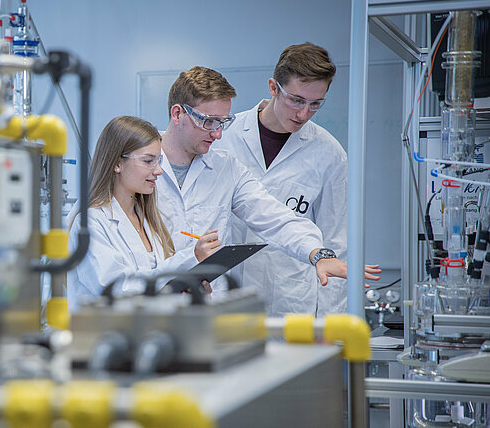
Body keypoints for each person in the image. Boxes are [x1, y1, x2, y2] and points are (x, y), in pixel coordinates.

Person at [156, 65, 381, 297]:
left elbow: (275, 217)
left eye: (222, 122)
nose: (218, 134)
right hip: (150, 306)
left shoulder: (226, 169)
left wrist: (317, 253)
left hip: (206, 306)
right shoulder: (138, 166)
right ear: (177, 114)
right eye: (209, 121)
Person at [213, 43, 380, 317]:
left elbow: (336, 242)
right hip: (228, 295)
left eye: (315, 104)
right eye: (297, 100)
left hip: (289, 300)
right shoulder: (225, 137)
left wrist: (331, 325)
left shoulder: (328, 153)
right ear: (273, 87)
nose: (304, 114)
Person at [67, 116, 220, 311]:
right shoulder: (90, 223)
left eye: (159, 161)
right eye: (148, 161)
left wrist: (190, 290)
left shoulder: (147, 218)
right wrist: (190, 259)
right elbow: (118, 290)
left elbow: (154, 292)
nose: (159, 171)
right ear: (117, 163)